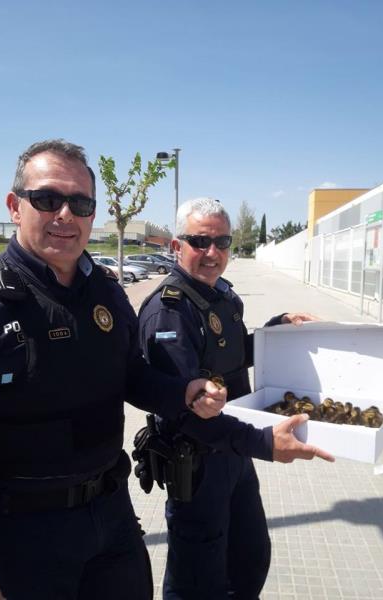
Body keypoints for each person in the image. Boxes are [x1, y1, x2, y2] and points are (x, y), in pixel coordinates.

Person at [0, 142, 228, 600]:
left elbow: (132, 376)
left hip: (111, 517)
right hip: (21, 536)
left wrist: (184, 392)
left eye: (80, 203)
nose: (66, 215)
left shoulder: (106, 293)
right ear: (14, 206)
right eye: (48, 199)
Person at [138, 197, 333, 600]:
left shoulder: (220, 296)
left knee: (249, 560)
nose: (213, 253)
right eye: (200, 241)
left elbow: (231, 352)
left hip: (235, 454)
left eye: (222, 242)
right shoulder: (168, 313)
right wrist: (265, 443)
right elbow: (184, 412)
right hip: (197, 465)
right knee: (198, 583)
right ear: (176, 246)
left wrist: (275, 330)